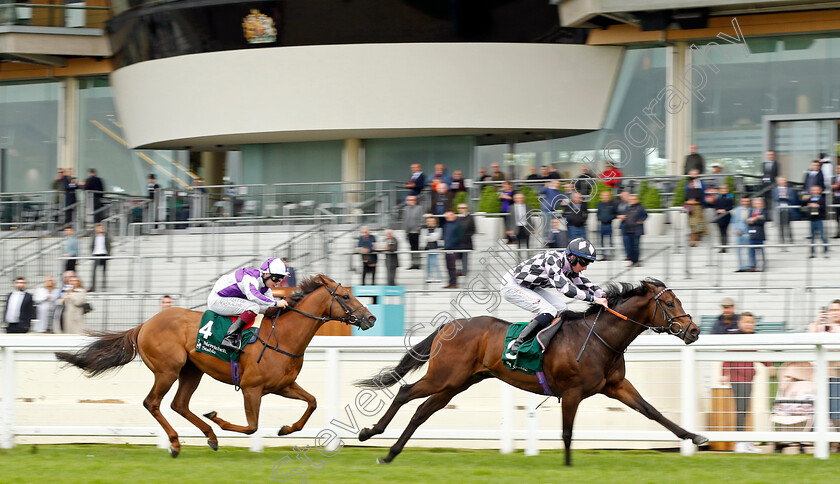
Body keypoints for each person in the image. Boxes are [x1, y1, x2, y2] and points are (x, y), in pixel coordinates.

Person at [500, 238, 608, 357]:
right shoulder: (553, 261)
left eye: (588, 263)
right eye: (584, 263)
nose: (585, 267)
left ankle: (548, 341)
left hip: (528, 285)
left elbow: (584, 283)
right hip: (511, 285)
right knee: (549, 310)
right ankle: (519, 343)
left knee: (562, 308)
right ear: (572, 257)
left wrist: (602, 294)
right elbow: (565, 288)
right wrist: (594, 299)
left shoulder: (569, 266)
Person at [208, 257, 289, 352]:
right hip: (218, 300)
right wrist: (276, 303)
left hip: (228, 299)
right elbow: (254, 296)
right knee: (254, 307)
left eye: (281, 279)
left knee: (264, 308)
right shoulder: (250, 278)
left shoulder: (265, 286)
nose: (278, 283)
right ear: (266, 274)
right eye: (275, 278)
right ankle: (229, 338)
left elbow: (269, 305)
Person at [721, 312, 771, 454]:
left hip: (749, 380)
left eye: (752, 322)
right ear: (739, 323)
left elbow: (757, 354)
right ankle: (740, 442)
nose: (749, 325)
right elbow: (727, 356)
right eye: (746, 322)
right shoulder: (735, 337)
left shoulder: (752, 338)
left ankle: (746, 441)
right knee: (741, 411)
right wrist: (724, 374)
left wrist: (769, 364)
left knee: (746, 411)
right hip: (737, 379)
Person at [808, 300, 840, 434]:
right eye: (831, 310)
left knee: (836, 409)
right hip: (826, 375)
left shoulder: (834, 328)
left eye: (837, 310)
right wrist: (818, 322)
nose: (834, 313)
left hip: (835, 374)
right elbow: (810, 338)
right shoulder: (821, 327)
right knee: (825, 408)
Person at [772, 177, 798, 247]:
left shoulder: (790, 190)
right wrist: (784, 197)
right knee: (781, 226)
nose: (783, 182)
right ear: (778, 182)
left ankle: (790, 239)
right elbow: (775, 198)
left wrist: (785, 197)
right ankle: (781, 239)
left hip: (788, 209)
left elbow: (793, 198)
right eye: (781, 180)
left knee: (788, 225)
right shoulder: (774, 190)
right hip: (779, 209)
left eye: (784, 180)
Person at [804, 185, 828, 258]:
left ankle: (825, 251)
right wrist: (806, 202)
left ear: (819, 191)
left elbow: (824, 207)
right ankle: (812, 252)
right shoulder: (809, 198)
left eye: (816, 190)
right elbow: (802, 204)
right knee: (812, 236)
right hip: (812, 219)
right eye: (813, 190)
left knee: (822, 236)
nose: (814, 191)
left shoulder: (823, 198)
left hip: (820, 219)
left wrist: (817, 205)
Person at [684, 169, 707, 247]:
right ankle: (694, 238)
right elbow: (685, 199)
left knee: (695, 223)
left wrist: (694, 202)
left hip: (698, 208)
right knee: (691, 224)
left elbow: (701, 198)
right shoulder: (687, 186)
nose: (692, 184)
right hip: (689, 208)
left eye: (695, 174)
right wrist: (689, 202)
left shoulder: (700, 187)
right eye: (692, 174)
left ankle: (693, 241)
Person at [624, 194, 647, 267]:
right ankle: (632, 261)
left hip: (636, 230)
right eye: (630, 199)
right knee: (630, 246)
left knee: (635, 247)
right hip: (628, 230)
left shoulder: (640, 207)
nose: (632, 201)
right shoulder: (627, 208)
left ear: (637, 200)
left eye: (633, 199)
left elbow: (645, 215)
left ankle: (636, 262)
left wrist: (641, 220)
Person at [442, 210, 463, 289]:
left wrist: (453, 243)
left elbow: (460, 236)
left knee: (452, 267)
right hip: (447, 248)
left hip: (454, 248)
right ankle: (450, 282)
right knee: (448, 266)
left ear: (454, 215)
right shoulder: (446, 225)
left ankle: (454, 283)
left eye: (450, 215)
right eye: (447, 216)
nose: (448, 217)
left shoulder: (458, 224)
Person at [402, 195, 424, 270]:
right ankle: (412, 263)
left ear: (415, 200)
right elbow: (404, 220)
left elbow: (421, 219)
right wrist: (405, 230)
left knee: (416, 247)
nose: (409, 201)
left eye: (411, 200)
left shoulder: (419, 208)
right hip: (409, 232)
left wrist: (418, 229)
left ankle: (417, 263)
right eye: (408, 200)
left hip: (416, 231)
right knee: (411, 248)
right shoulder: (405, 209)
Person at [731, 196, 752, 272]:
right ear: (741, 202)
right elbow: (733, 221)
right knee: (739, 251)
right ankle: (741, 267)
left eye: (747, 201)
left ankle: (749, 266)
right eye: (744, 201)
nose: (745, 203)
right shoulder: (736, 210)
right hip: (738, 233)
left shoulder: (752, 210)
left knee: (748, 251)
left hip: (748, 233)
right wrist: (735, 230)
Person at [746, 197, 767, 272]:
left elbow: (762, 221)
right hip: (752, 234)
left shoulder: (764, 211)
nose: (757, 205)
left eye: (758, 203)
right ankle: (753, 266)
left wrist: (754, 220)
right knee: (751, 251)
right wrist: (755, 219)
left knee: (761, 251)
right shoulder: (751, 211)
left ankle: (763, 266)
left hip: (759, 234)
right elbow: (748, 220)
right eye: (755, 203)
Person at [597, 190, 618, 260]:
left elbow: (615, 214)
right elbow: (598, 213)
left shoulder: (613, 204)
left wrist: (609, 218)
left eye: (607, 195)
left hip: (609, 225)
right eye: (604, 195)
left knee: (611, 241)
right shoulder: (599, 204)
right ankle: (603, 256)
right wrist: (599, 218)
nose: (606, 197)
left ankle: (612, 255)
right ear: (601, 196)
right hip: (602, 225)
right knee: (601, 241)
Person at [713, 184, 733, 253]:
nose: (723, 190)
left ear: (727, 190)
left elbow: (730, 206)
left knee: (724, 232)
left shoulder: (729, 197)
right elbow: (716, 206)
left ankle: (725, 247)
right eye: (722, 189)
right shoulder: (718, 198)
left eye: (725, 189)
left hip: (726, 216)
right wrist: (718, 210)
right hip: (719, 217)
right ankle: (722, 246)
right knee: (721, 232)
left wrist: (724, 210)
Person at [90, 223, 110, 292]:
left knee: (104, 272)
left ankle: (103, 287)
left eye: (101, 228)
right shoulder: (94, 237)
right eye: (98, 228)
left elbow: (109, 246)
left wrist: (108, 254)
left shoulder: (106, 237)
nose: (99, 229)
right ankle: (93, 287)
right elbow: (92, 245)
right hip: (96, 254)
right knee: (93, 272)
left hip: (103, 254)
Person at [457, 203, 475, 276]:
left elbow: (473, 229)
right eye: (461, 208)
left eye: (464, 208)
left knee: (465, 257)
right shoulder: (457, 218)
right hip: (458, 242)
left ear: (467, 208)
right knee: (458, 257)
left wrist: (465, 237)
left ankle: (464, 271)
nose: (462, 209)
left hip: (466, 241)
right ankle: (459, 270)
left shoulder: (470, 218)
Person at [423, 216, 442, 283]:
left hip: (435, 248)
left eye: (431, 221)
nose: (430, 222)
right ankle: (429, 277)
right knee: (428, 264)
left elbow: (436, 238)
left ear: (434, 221)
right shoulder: (425, 229)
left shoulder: (438, 229)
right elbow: (424, 238)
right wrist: (431, 237)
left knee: (435, 263)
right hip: (428, 248)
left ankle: (438, 277)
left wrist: (429, 237)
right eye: (428, 221)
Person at [761, 150, 779, 221]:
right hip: (765, 185)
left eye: (771, 154)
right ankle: (767, 217)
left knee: (773, 202)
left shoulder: (776, 164)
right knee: (766, 203)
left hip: (772, 186)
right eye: (768, 155)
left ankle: (773, 217)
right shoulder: (764, 164)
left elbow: (776, 175)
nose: (770, 156)